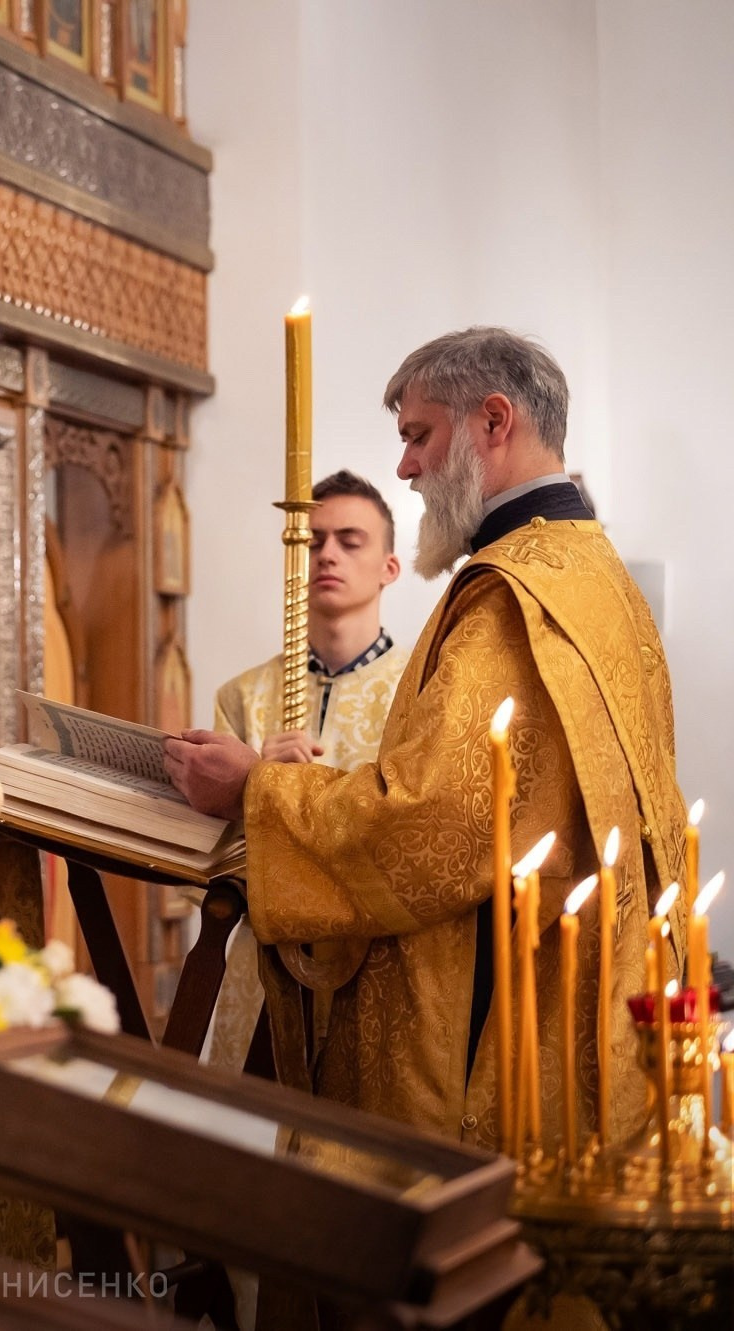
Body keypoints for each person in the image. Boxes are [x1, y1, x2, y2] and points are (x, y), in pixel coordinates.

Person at [165, 328, 687, 1150]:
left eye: (418, 435)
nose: (405, 466)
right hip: (583, 996)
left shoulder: (513, 594)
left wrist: (253, 791)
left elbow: (435, 822)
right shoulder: (594, 575)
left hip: (496, 1021)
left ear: (492, 422)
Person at [204, 471, 406, 1069]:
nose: (328, 555)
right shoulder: (243, 697)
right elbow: (203, 856)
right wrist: (252, 786)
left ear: (389, 568)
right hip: (263, 960)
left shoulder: (422, 696)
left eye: (350, 540)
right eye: (312, 541)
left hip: (376, 964)